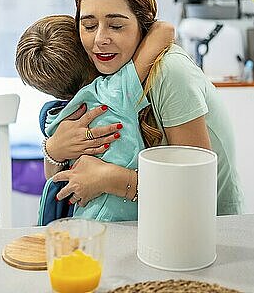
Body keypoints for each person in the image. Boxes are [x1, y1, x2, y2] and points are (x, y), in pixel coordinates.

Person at [43, 0, 243, 216]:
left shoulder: (170, 72)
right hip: (146, 227)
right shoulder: (105, 71)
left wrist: (109, 178)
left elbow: (196, 188)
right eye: (89, 26)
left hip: (207, 229)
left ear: (142, 25)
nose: (100, 39)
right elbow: (59, 178)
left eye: (116, 26)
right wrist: (54, 151)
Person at [16, 15, 175, 221]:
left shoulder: (54, 118)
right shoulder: (114, 92)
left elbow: (52, 177)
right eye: (90, 27)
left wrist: (51, 149)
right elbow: (165, 30)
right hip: (127, 218)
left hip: (84, 218)